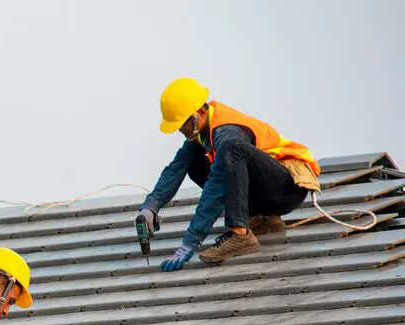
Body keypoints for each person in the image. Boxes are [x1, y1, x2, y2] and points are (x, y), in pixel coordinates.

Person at [138, 77, 322, 272]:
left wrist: (190, 242)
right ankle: (264, 219)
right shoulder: (203, 131)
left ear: (200, 112)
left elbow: (216, 186)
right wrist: (150, 207)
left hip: (288, 185)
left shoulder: (227, 131)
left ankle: (240, 235)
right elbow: (176, 168)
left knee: (232, 151)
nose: (182, 130)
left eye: (183, 124)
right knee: (194, 163)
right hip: (270, 190)